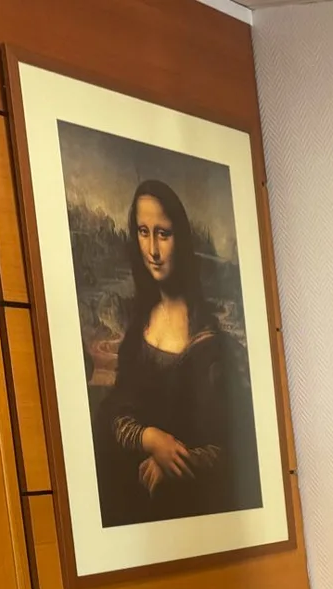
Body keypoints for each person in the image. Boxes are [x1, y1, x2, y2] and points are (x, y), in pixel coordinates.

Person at [95, 179, 261, 525]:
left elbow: (232, 444)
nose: (152, 249)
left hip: (192, 512)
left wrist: (172, 463)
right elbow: (115, 411)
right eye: (143, 232)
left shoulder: (212, 343)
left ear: (181, 240)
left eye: (163, 234)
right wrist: (149, 438)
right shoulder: (138, 325)